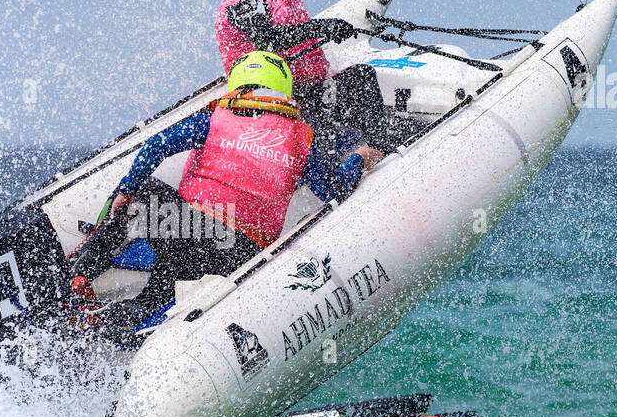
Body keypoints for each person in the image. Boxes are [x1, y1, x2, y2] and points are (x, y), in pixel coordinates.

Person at [70, 51, 383, 329]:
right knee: (171, 269)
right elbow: (333, 190)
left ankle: (81, 272)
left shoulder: (216, 117)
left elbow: (157, 146)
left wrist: (126, 190)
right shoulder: (303, 136)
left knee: (146, 199)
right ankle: (132, 314)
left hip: (189, 231)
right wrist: (358, 158)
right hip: (241, 253)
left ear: (239, 84)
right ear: (282, 88)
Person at [214, 0, 385, 155]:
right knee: (360, 81)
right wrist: (322, 28)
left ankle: (370, 149)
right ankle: (381, 151)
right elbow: (267, 39)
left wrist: (325, 30)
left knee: (359, 79)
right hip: (274, 98)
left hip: (308, 91)